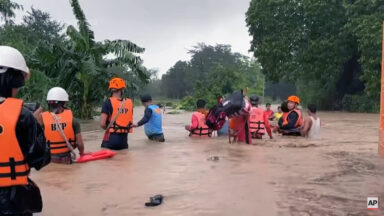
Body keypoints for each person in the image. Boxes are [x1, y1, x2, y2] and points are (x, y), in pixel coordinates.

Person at [0, 46, 50, 215]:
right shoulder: (23, 117)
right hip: (10, 201)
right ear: (12, 80)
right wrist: (37, 126)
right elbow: (41, 159)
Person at [40, 87, 85, 164]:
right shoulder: (74, 121)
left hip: (48, 160)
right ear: (64, 102)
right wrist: (82, 154)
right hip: (66, 158)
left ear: (49, 103)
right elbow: (80, 143)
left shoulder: (41, 120)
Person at [100, 78, 133, 150]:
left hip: (111, 139)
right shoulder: (129, 103)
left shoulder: (107, 103)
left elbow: (102, 124)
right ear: (122, 90)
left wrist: (109, 128)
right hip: (124, 142)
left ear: (111, 89)